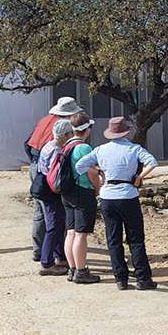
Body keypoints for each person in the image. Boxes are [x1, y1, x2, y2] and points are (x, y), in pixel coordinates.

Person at [76, 117, 159, 290]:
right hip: (128, 194)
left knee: (113, 239)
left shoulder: (100, 150)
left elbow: (80, 166)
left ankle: (120, 279)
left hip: (108, 195)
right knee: (136, 239)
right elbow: (152, 162)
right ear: (126, 132)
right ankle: (143, 278)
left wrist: (99, 171)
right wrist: (139, 177)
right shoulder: (134, 148)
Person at [24, 96, 83, 262]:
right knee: (57, 214)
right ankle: (56, 255)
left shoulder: (44, 120)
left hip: (37, 165)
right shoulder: (65, 127)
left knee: (40, 211)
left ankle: (39, 251)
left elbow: (28, 143)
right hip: (52, 169)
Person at [62, 112, 101, 284]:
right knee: (81, 234)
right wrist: (97, 187)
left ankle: (72, 269)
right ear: (86, 129)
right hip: (82, 191)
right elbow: (91, 171)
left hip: (68, 191)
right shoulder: (84, 148)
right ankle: (81, 271)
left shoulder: (66, 146)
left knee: (70, 232)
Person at [36, 119, 73, 276]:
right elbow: (54, 174)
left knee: (58, 223)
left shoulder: (48, 146)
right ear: (66, 134)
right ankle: (47, 263)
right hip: (51, 191)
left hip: (45, 189)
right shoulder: (56, 150)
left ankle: (60, 256)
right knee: (54, 225)